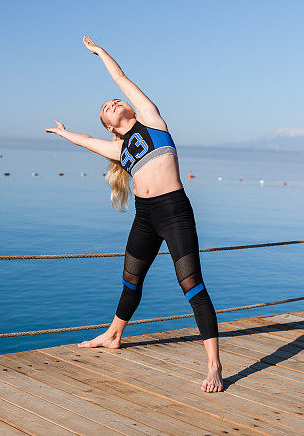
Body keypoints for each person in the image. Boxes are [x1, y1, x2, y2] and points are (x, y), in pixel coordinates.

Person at [46, 36, 223, 393]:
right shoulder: (117, 148)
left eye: (113, 102)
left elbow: (121, 79)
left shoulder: (152, 121)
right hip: (145, 217)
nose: (112, 103)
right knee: (130, 281)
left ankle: (214, 366)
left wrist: (100, 54)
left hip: (174, 212)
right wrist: (64, 134)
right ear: (109, 127)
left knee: (192, 285)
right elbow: (86, 142)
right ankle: (112, 336)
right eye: (106, 109)